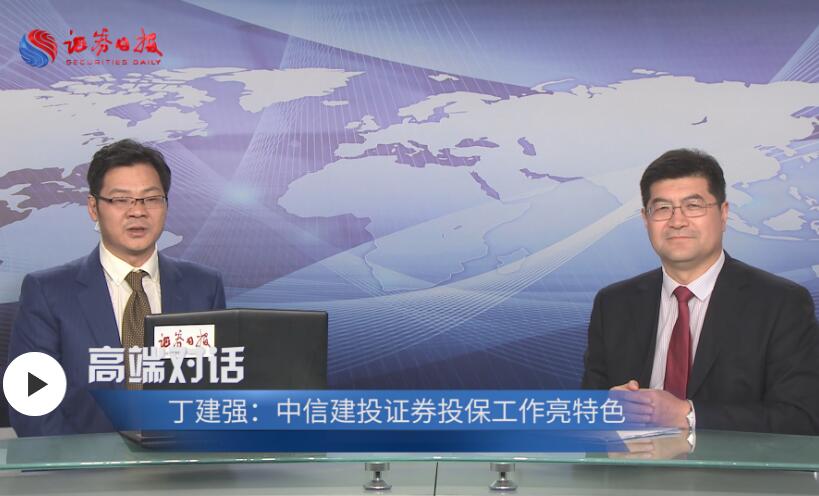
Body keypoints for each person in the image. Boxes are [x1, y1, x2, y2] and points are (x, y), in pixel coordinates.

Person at [582, 148, 819, 434]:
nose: (677, 221)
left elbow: (800, 418)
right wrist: (607, 408)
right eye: (662, 208)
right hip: (634, 461)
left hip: (736, 465)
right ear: (646, 219)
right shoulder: (614, 304)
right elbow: (587, 413)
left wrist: (687, 414)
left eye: (693, 206)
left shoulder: (780, 303)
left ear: (723, 213)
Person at [8, 139, 225, 436]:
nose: (138, 212)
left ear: (166, 205)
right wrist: (89, 464)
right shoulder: (47, 293)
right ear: (93, 207)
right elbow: (32, 407)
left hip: (181, 462)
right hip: (82, 464)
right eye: (121, 200)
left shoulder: (204, 287)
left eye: (151, 199)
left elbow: (217, 392)